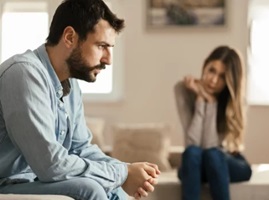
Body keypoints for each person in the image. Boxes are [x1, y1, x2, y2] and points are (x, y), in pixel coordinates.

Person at [0, 0, 160, 199]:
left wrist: (127, 170)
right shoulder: (23, 74)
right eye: (102, 46)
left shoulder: (70, 85)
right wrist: (122, 174)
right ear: (69, 37)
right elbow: (50, 164)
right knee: (89, 189)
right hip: (8, 181)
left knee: (113, 187)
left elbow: (81, 148)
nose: (108, 59)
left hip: (35, 180)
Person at [174, 45, 252, 200]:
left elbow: (210, 146)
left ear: (229, 81)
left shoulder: (232, 100)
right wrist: (201, 101)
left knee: (213, 155)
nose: (214, 80)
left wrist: (211, 102)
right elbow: (194, 143)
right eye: (212, 70)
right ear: (205, 65)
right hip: (196, 161)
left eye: (222, 76)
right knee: (191, 153)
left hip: (228, 160)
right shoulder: (183, 90)